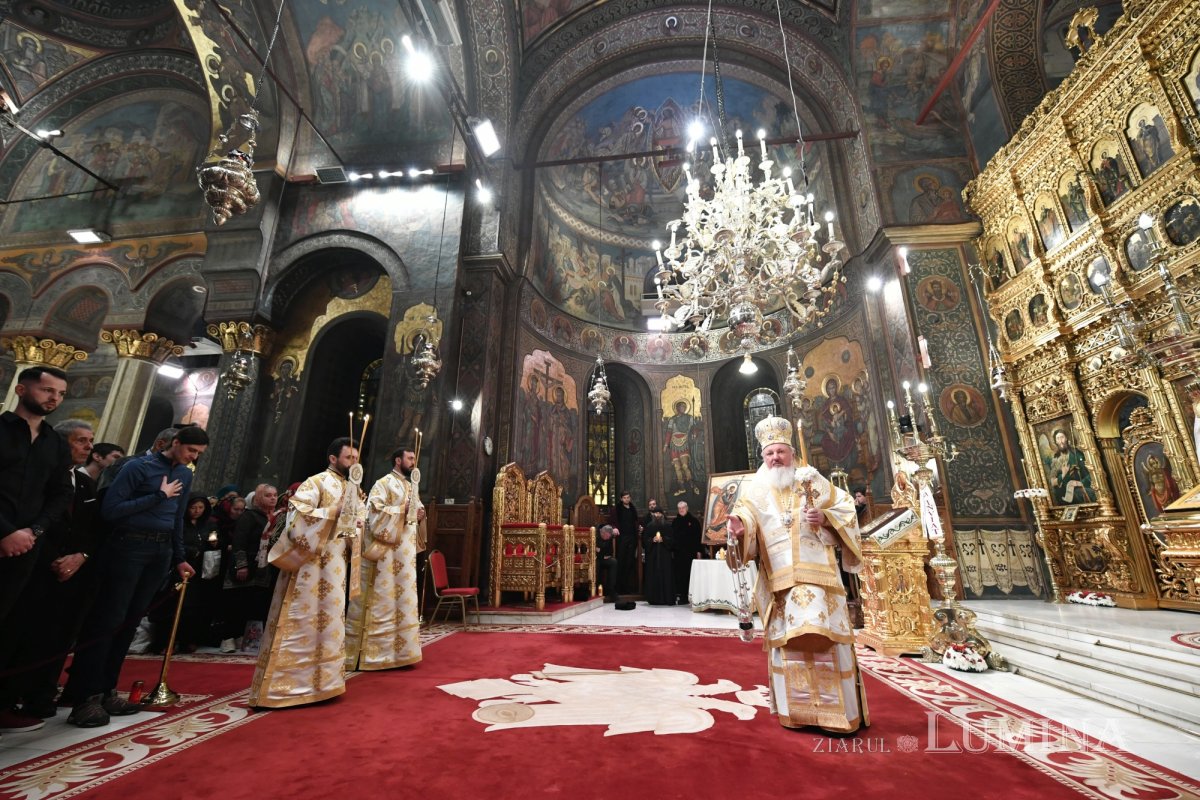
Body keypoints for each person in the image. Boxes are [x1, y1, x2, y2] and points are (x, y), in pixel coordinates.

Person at [726, 416, 866, 733]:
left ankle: (838, 716)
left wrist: (826, 518)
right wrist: (739, 527)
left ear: (791, 452)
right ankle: (798, 712)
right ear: (763, 457)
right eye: (769, 453)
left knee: (826, 641)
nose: (775, 458)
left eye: (780, 452)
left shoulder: (811, 480)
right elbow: (745, 520)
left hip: (820, 580)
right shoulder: (754, 489)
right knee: (791, 647)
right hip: (780, 583)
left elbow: (845, 508)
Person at [65, 425, 208, 727]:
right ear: (175, 443)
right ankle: (85, 697)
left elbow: (178, 518)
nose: (193, 458)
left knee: (131, 621)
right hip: (129, 545)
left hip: (160, 551)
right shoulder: (136, 467)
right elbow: (111, 510)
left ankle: (107, 690)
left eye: (198, 454)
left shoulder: (185, 474)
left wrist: (179, 557)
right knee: (110, 618)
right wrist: (158, 495)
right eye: (190, 451)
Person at [248, 437, 366, 708]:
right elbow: (295, 518)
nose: (353, 463)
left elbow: (357, 526)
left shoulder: (354, 490)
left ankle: (324, 683)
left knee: (330, 625)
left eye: (356, 459)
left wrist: (356, 523)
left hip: (336, 566)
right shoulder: (316, 482)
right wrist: (332, 512)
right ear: (333, 458)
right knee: (302, 620)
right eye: (349, 458)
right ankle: (284, 688)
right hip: (309, 568)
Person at [0, 367, 72, 734]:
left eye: (59, 393)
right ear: (21, 389)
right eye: (47, 390)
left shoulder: (55, 443)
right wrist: (7, 532)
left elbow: (61, 493)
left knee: (13, 625)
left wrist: (34, 530)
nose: (53, 398)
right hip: (4, 538)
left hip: (29, 545)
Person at [345, 446, 426, 671]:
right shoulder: (383, 483)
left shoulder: (411, 486)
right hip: (387, 556)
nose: (413, 462)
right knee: (383, 598)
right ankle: (375, 654)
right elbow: (373, 513)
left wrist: (420, 515)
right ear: (398, 460)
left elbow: (416, 515)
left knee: (403, 600)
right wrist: (402, 508)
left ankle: (402, 652)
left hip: (405, 556)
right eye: (410, 458)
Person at [222, 483, 279, 653]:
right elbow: (239, 542)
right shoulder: (248, 516)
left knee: (254, 604)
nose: (273, 498)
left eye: (275, 495)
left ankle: (246, 638)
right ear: (258, 498)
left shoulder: (276, 518)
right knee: (237, 603)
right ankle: (228, 638)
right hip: (246, 565)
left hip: (264, 569)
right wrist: (241, 565)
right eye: (268, 495)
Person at [1048, 429, 1096, 504]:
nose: (1061, 441)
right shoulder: (1055, 459)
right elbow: (1052, 482)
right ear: (1056, 441)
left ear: (1066, 438)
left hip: (1078, 489)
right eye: (1058, 438)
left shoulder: (1076, 454)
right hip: (1062, 495)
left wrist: (1079, 483)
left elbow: (1090, 473)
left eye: (1062, 437)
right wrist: (1063, 475)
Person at [607, 490, 640, 594]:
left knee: (630, 562)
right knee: (621, 562)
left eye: (628, 497)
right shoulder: (616, 509)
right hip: (621, 538)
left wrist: (639, 527)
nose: (627, 499)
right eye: (625, 497)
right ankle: (619, 587)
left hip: (632, 538)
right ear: (621, 499)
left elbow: (636, 521)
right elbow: (611, 522)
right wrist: (615, 528)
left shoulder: (632, 509)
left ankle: (628, 587)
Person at [671, 501, 702, 605]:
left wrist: (699, 551)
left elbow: (698, 537)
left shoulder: (694, 521)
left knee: (690, 574)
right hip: (679, 554)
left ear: (687, 508)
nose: (681, 510)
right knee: (680, 575)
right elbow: (673, 537)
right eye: (679, 508)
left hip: (691, 553)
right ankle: (682, 597)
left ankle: (693, 596)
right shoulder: (675, 522)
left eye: (683, 508)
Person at [640, 509, 673, 606]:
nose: (658, 515)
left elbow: (672, 540)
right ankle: (653, 599)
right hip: (652, 556)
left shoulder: (667, 525)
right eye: (656, 513)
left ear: (662, 514)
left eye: (659, 513)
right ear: (653, 514)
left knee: (665, 576)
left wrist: (664, 539)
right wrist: (652, 540)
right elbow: (644, 541)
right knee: (652, 574)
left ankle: (666, 598)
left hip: (665, 556)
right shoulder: (649, 526)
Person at [595, 524, 620, 602]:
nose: (607, 539)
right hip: (596, 559)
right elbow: (594, 551)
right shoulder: (595, 534)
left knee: (614, 562)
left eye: (609, 537)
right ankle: (597, 589)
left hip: (605, 557)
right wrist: (601, 554)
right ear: (602, 533)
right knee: (597, 564)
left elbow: (609, 552)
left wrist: (601, 551)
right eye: (606, 537)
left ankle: (611, 589)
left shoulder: (609, 535)